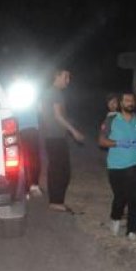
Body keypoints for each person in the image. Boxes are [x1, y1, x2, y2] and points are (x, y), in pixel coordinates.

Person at [98, 92, 136, 240]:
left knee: (134, 198)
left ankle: (132, 230)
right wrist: (118, 143)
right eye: (126, 100)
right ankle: (115, 218)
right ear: (120, 103)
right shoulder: (112, 120)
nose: (130, 102)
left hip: (135, 164)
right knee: (120, 197)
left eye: (132, 100)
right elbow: (101, 141)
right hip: (116, 165)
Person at [41, 68, 84, 213]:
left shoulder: (47, 92)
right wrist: (74, 131)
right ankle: (56, 201)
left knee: (56, 168)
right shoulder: (55, 93)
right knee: (62, 171)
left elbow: (40, 111)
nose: (68, 80)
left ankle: (56, 200)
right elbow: (58, 116)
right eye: (66, 77)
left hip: (51, 135)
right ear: (57, 76)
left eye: (69, 77)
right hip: (56, 136)